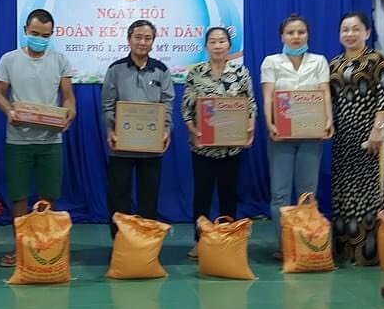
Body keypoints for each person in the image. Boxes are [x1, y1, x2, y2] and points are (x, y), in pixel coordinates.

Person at [0, 8, 76, 268]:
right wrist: (9, 111)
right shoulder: (9, 60)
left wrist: (70, 112)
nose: (40, 38)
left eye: (45, 35)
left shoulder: (60, 60)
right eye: (35, 33)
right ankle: (20, 248)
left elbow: (68, 97)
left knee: (48, 196)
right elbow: (0, 94)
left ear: (52, 34)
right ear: (25, 31)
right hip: (17, 140)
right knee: (18, 197)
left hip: (50, 141)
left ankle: (44, 246)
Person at [260, 14, 334, 259]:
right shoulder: (271, 62)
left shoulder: (319, 61)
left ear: (308, 34)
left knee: (307, 192)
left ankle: (305, 244)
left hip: (311, 135)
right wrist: (270, 123)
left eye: (300, 32)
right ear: (282, 36)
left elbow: (324, 93)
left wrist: (328, 120)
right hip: (280, 136)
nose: (295, 37)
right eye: (290, 32)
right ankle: (284, 246)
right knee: (280, 193)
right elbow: (268, 96)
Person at [182, 26, 258, 259]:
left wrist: (250, 129)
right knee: (202, 196)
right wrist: (194, 132)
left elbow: (250, 105)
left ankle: (227, 241)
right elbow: (186, 109)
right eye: (213, 42)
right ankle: (200, 242)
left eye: (222, 41)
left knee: (228, 195)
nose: (217, 46)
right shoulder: (196, 73)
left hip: (231, 148)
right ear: (206, 46)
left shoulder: (240, 72)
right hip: (202, 148)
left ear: (229, 45)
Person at [329, 11, 384, 266]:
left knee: (371, 193)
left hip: (371, 136)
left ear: (366, 32)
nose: (350, 34)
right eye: (345, 29)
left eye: (355, 29)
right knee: (345, 193)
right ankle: (345, 251)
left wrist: (378, 128)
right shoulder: (334, 64)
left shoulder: (378, 61)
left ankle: (369, 254)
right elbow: (325, 101)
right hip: (343, 137)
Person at [101, 19, 175, 238]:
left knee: (148, 198)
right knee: (118, 197)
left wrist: (166, 130)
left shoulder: (161, 70)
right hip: (121, 145)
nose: (142, 42)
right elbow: (107, 104)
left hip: (151, 146)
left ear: (153, 42)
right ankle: (121, 244)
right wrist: (111, 130)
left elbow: (168, 103)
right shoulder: (115, 69)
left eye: (148, 38)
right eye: (138, 37)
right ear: (129, 39)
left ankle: (146, 246)